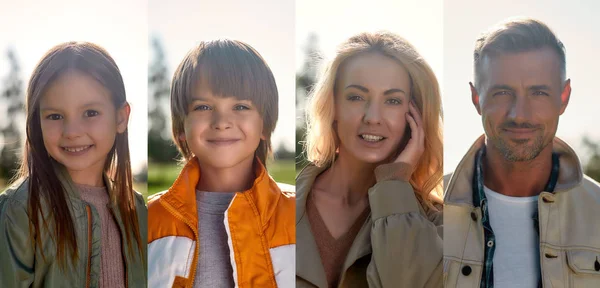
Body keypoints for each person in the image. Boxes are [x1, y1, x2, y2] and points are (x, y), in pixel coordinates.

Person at [443, 18, 600, 288]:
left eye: (538, 93)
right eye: (503, 92)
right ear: (476, 98)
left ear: (563, 98)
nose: (520, 114)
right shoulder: (426, 212)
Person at [296, 31, 443, 288]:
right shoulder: (279, 205)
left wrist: (394, 184)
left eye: (393, 101)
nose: (373, 117)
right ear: (333, 107)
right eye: (356, 97)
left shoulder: (437, 224)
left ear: (415, 115)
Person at [147, 39, 295, 288]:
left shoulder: (297, 214)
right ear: (181, 127)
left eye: (241, 106)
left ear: (265, 125)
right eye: (203, 106)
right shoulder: (149, 220)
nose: (222, 121)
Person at [0, 42, 147, 287]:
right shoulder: (20, 210)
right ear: (38, 122)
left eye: (90, 112)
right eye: (55, 116)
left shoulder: (139, 210)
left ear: (121, 118)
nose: (72, 132)